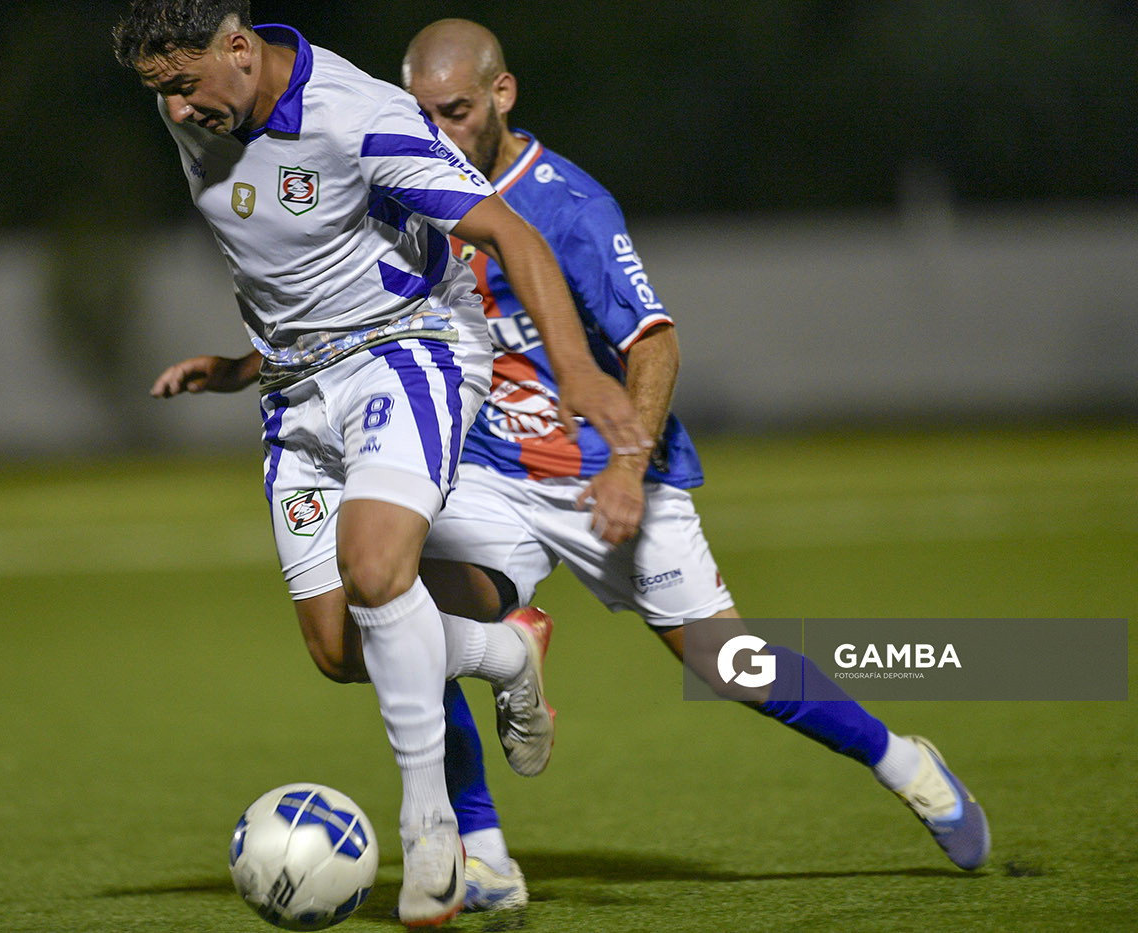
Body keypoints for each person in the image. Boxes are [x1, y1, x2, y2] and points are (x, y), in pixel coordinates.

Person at [397, 18, 992, 907]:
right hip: (495, 472)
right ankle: (482, 852)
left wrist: (628, 468)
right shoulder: (415, 192)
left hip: (609, 466)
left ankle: (899, 757)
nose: (437, 133)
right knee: (416, 618)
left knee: (730, 665)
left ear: (502, 95)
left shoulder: (569, 207)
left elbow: (656, 344)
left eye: (454, 111)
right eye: (422, 114)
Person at [110, 2, 651, 926]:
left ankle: (430, 830)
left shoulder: (362, 116)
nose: (179, 110)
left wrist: (578, 374)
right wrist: (245, 367)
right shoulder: (191, 106)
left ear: (239, 48)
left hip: (407, 349)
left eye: (186, 85)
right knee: (335, 648)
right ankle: (505, 648)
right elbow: (285, 260)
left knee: (375, 567)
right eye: (160, 92)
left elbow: (510, 236)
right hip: (295, 387)